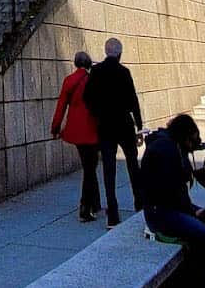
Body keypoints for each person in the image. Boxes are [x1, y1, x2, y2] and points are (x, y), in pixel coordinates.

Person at [141, 113, 205, 264]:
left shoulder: (175, 145)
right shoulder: (166, 151)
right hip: (160, 213)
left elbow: (178, 190)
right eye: (191, 140)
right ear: (184, 136)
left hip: (177, 206)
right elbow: (168, 191)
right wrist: (192, 213)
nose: (192, 146)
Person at [83, 36, 143, 227]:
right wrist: (139, 123)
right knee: (133, 165)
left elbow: (87, 97)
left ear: (105, 51)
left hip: (105, 124)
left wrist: (98, 112)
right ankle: (139, 203)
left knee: (109, 170)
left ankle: (113, 213)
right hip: (124, 123)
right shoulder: (124, 72)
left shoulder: (96, 71)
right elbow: (133, 98)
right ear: (120, 54)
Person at [50, 50, 100, 222]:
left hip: (76, 129)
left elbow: (61, 106)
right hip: (93, 129)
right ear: (89, 64)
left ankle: (94, 203)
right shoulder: (93, 80)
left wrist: (55, 128)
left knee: (89, 166)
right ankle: (86, 207)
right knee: (90, 167)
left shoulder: (69, 80)